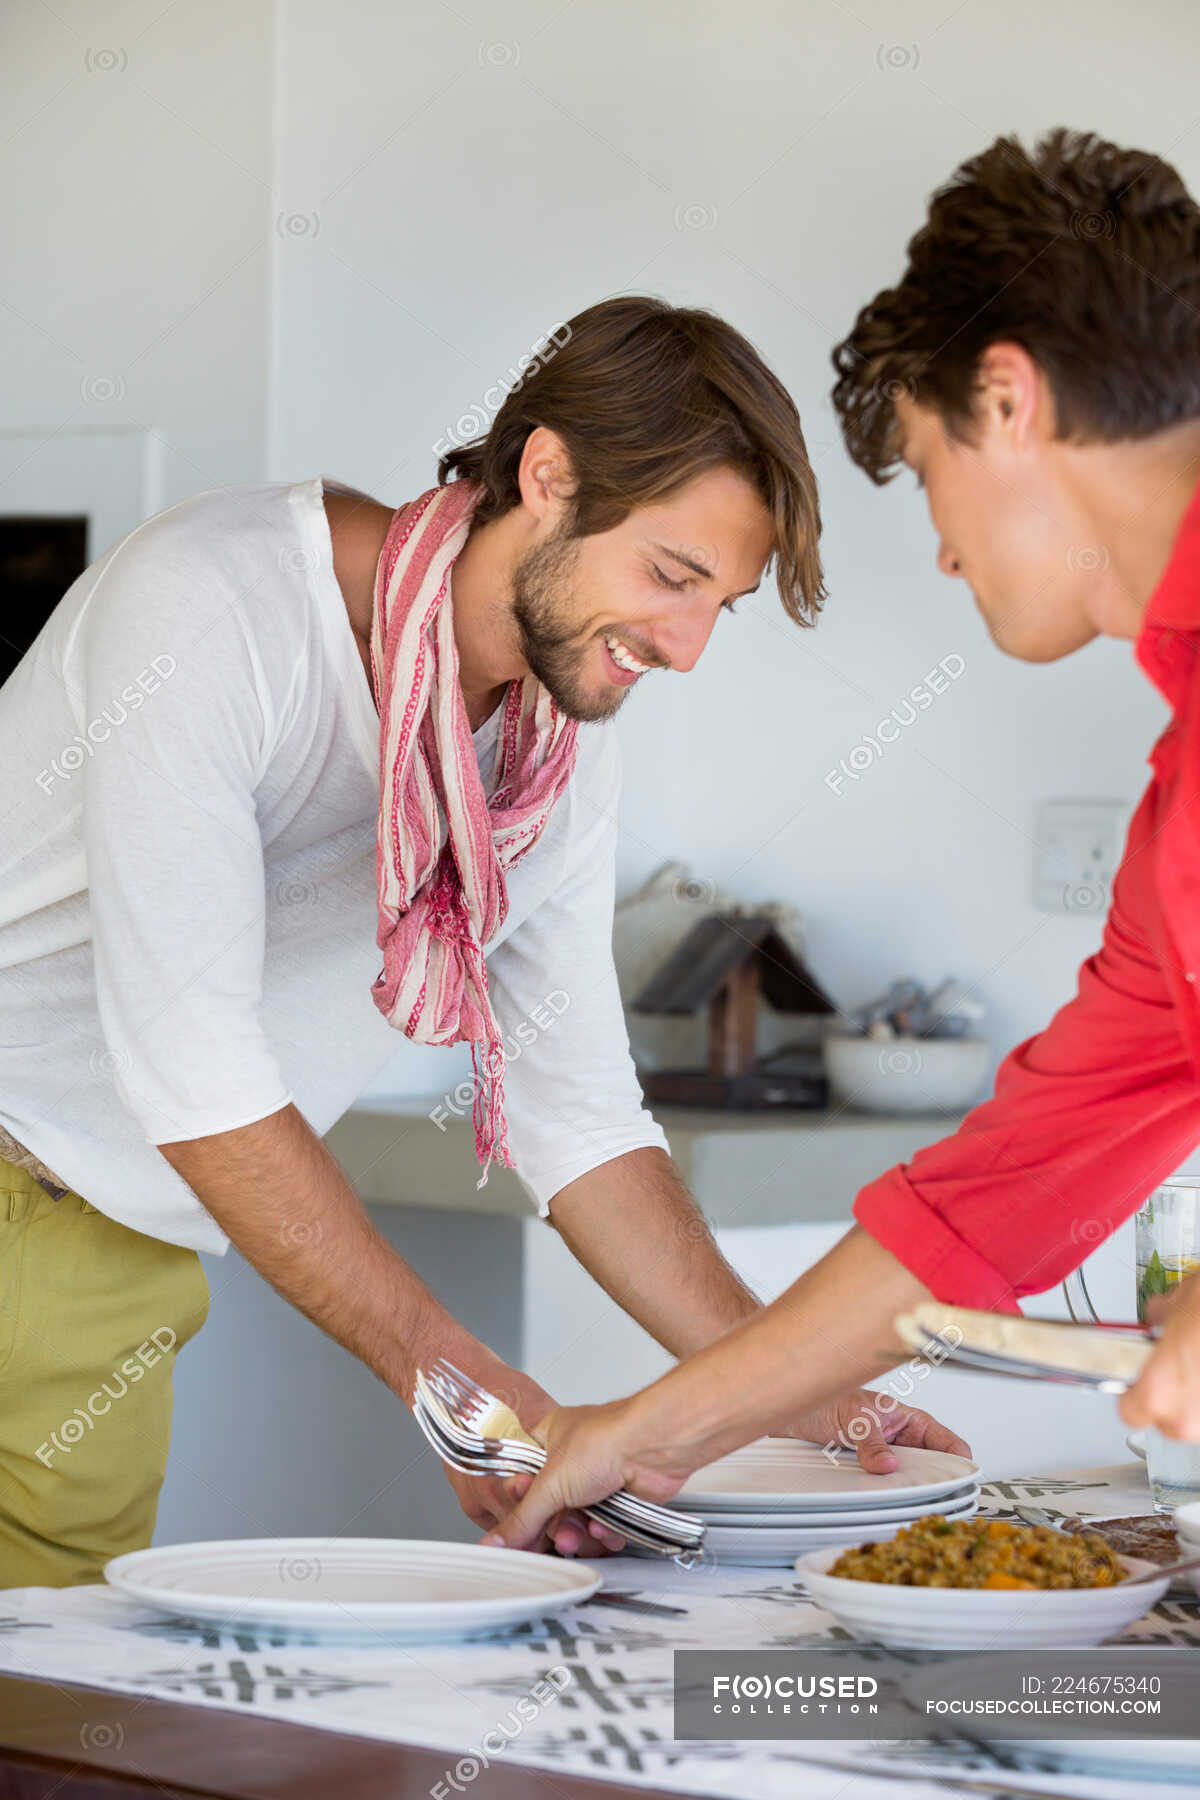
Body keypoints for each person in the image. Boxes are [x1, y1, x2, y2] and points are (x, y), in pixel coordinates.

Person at [0, 296, 965, 1587]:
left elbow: (578, 1120)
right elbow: (196, 1071)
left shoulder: (551, 747)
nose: (683, 647)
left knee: (48, 1725)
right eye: (672, 576)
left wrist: (788, 1388)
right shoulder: (216, 607)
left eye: (716, 607)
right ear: (548, 474)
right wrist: (454, 1382)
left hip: (116, 1255)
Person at [484, 129, 1200, 1553]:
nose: (942, 547)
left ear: (1008, 398)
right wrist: (647, 1431)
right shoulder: (1178, 805)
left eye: (927, 468)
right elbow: (990, 1203)